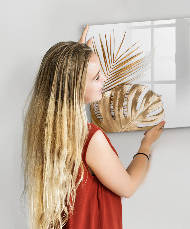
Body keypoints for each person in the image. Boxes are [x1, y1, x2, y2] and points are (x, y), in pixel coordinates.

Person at [22, 26, 166, 229]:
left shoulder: (44, 129)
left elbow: (66, 80)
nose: (105, 79)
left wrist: (78, 57)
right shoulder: (90, 139)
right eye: (97, 77)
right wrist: (146, 144)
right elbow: (128, 186)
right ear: (76, 87)